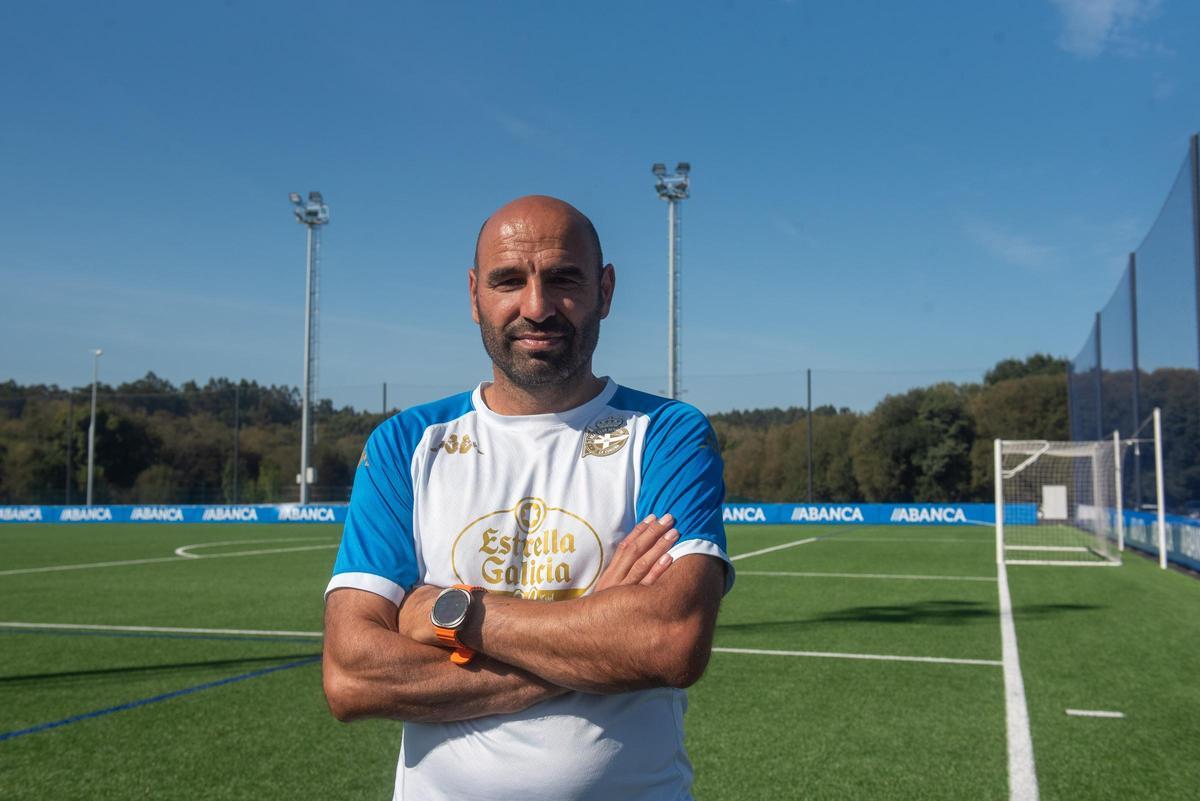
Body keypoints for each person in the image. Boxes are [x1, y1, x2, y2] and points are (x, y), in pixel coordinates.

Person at [322, 195, 734, 801]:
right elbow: (352, 677)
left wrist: (452, 614)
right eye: (509, 280)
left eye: (564, 278)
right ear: (474, 296)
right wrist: (596, 629)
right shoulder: (406, 444)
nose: (536, 307)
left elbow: (666, 643)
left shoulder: (666, 433)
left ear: (605, 290)